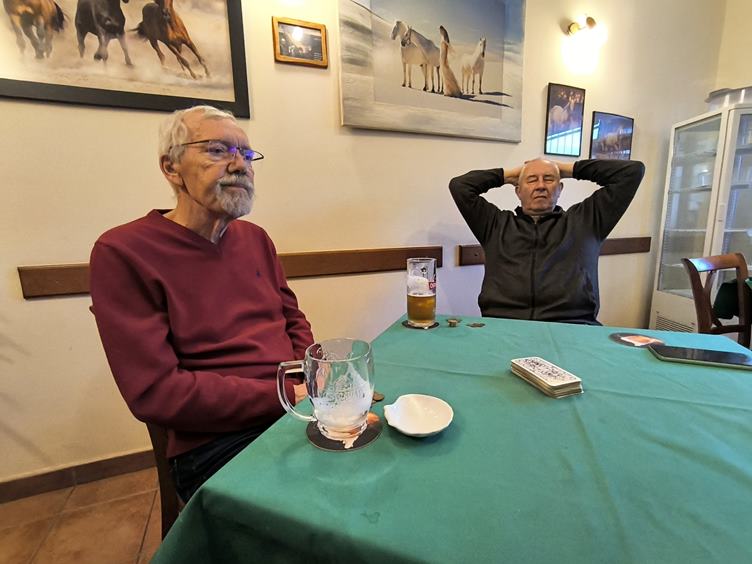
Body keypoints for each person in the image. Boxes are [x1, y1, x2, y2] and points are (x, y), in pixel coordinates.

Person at [90, 105, 314, 501]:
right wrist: (283, 396)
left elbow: (293, 320)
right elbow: (157, 392)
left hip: (292, 410)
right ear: (171, 168)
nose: (240, 165)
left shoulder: (256, 239)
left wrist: (309, 377)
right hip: (214, 442)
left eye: (247, 154)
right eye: (217, 150)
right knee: (323, 502)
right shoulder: (122, 251)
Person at [449, 158, 645, 325]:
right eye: (532, 180)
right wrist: (507, 175)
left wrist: (565, 169)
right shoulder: (494, 224)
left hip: (573, 326)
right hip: (503, 325)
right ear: (518, 191)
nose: (541, 186)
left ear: (560, 188)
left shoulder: (586, 221)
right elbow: (460, 186)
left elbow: (632, 172)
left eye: (549, 179)